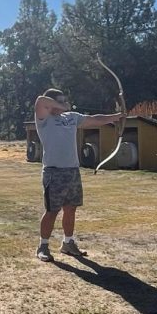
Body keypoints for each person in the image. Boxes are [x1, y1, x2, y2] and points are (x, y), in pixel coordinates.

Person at [32, 88, 124, 262]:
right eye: (59, 101)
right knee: (52, 210)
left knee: (71, 208)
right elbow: (40, 101)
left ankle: (68, 243)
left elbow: (95, 119)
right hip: (54, 172)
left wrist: (115, 117)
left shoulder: (71, 117)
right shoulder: (43, 119)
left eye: (65, 101)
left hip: (72, 170)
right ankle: (43, 246)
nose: (64, 104)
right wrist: (61, 105)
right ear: (52, 102)